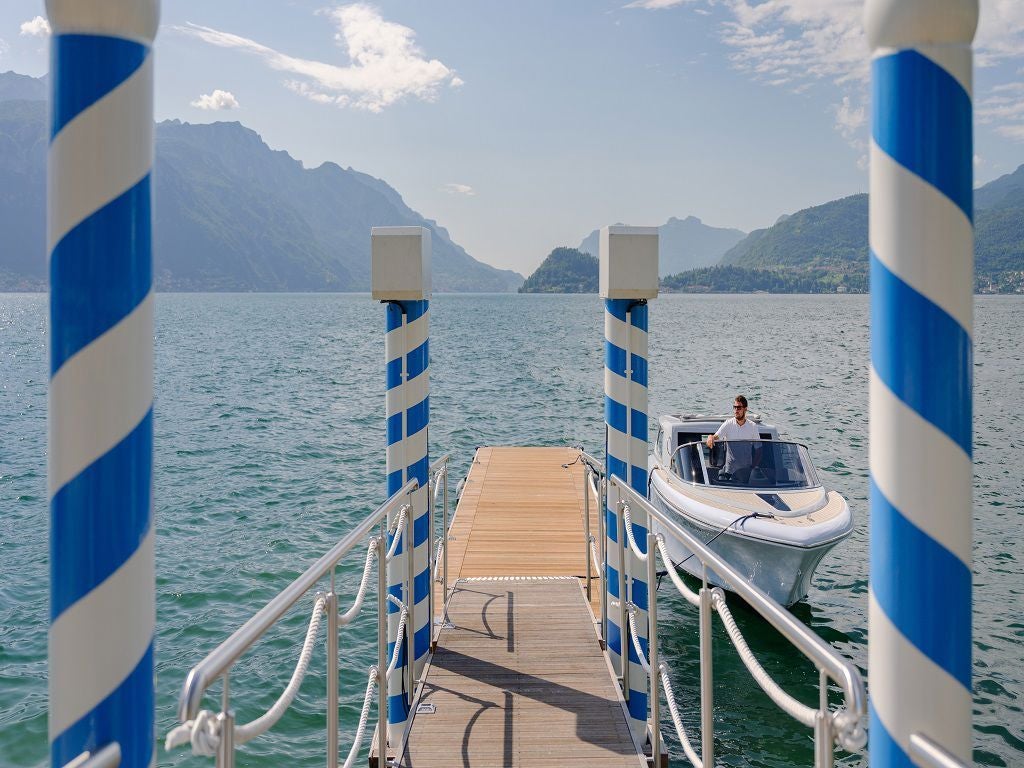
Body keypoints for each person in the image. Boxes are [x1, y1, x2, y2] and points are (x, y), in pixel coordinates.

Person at [706, 395, 760, 481]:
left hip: (745, 472)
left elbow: (758, 449)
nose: (736, 410)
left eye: (738, 408)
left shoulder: (752, 426)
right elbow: (716, 436)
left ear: (745, 409)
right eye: (734, 407)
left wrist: (753, 467)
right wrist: (710, 437)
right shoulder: (728, 424)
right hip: (729, 471)